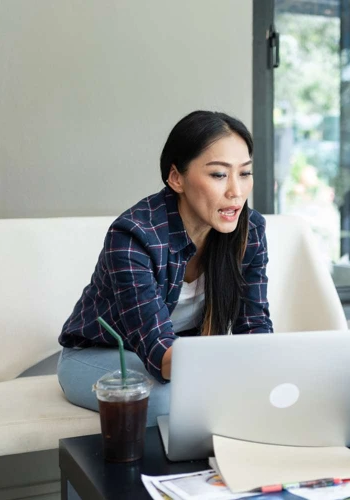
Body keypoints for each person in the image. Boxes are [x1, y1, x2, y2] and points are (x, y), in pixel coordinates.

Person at [57, 111, 273, 425]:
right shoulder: (133, 235)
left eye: (244, 173)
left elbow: (254, 328)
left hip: (185, 357)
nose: (236, 192)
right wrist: (235, 371)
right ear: (176, 178)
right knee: (160, 400)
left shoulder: (249, 231)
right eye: (218, 174)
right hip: (99, 355)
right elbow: (160, 354)